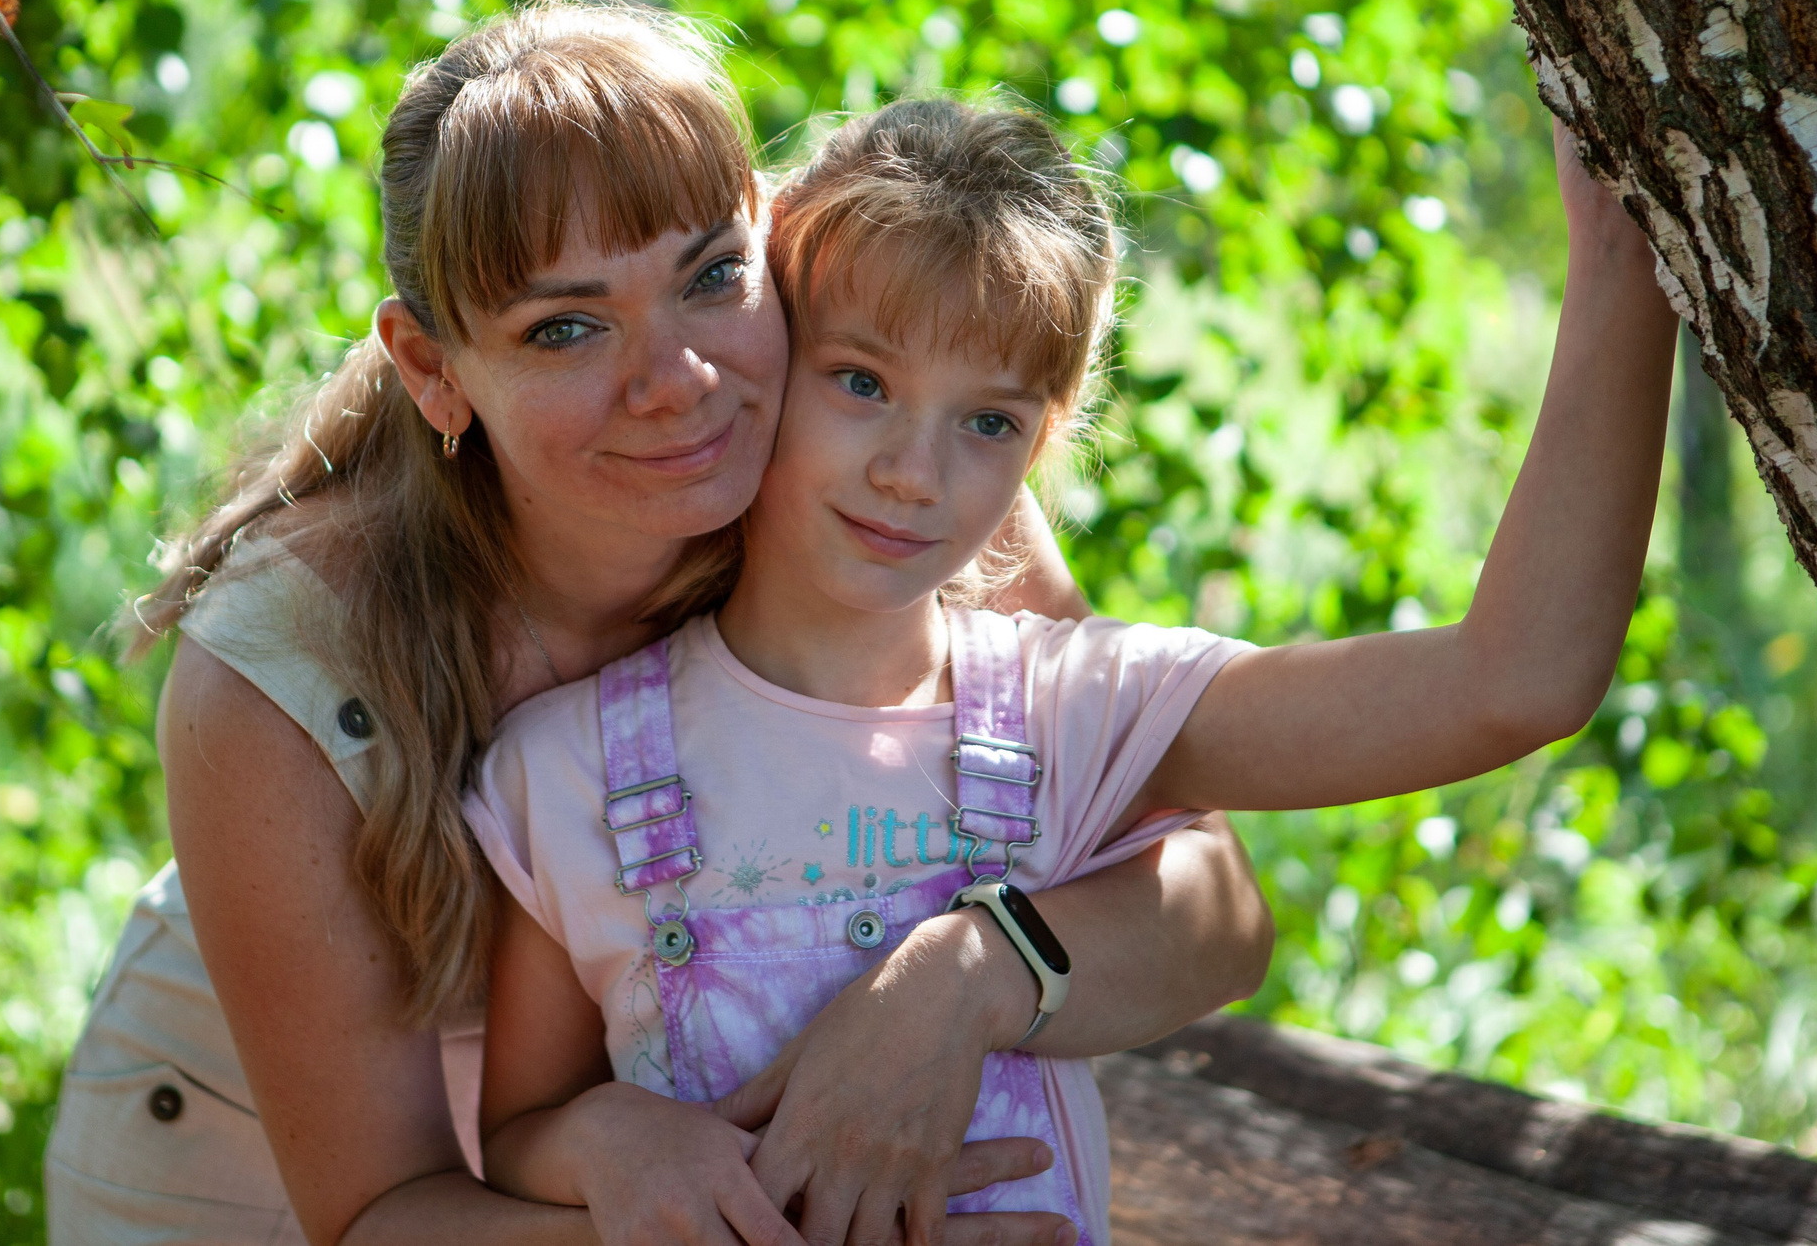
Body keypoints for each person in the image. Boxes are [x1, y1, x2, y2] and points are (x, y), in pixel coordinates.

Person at [43, 0, 1274, 1245]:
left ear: (771, 240)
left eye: (708, 277)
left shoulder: (883, 470)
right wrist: (759, 1220)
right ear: (432, 368)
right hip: (248, 1178)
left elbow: (1213, 912)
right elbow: (376, 1215)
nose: (678, 384)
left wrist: (968, 979)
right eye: (566, 327)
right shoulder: (283, 668)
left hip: (671, 1171)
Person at [467, 94, 1676, 1246]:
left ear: (1044, 443)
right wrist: (613, 1139)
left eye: (986, 421)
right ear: (769, 357)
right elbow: (521, 1129)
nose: (913, 472)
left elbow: (1515, 684)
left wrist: (1627, 271)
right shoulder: (568, 766)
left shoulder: (1075, 715)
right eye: (862, 383)